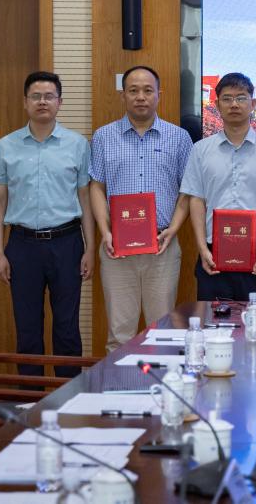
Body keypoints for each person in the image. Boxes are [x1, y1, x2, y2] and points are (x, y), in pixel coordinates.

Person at [0, 71, 94, 377]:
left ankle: (68, 396)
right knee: (28, 330)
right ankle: (30, 399)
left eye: (49, 96)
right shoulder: (6, 146)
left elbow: (85, 200)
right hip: (22, 245)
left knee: (67, 329)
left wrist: (90, 249)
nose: (42, 102)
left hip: (67, 243)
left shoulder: (77, 145)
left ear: (60, 102)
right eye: (36, 96)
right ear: (25, 102)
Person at [89, 66, 193, 351]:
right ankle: (121, 381)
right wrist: (105, 232)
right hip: (116, 248)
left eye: (148, 90)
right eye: (133, 90)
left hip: (161, 246)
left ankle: (160, 381)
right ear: (123, 95)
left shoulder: (179, 138)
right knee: (119, 335)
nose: (140, 97)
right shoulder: (103, 137)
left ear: (159, 94)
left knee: (162, 333)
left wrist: (174, 229)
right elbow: (96, 187)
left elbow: (188, 191)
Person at [180, 73, 256, 301]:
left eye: (241, 98)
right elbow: (196, 200)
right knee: (212, 320)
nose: (234, 104)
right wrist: (202, 249)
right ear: (217, 104)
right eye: (227, 99)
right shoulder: (201, 150)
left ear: (253, 104)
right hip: (213, 255)